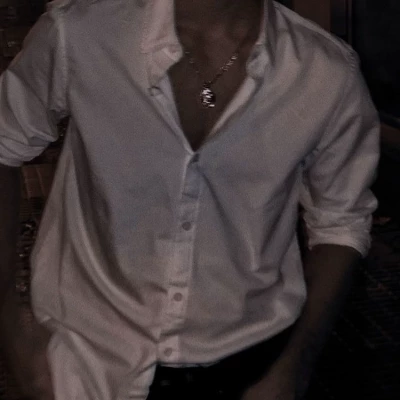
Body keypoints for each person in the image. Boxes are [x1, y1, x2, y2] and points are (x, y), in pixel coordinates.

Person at [0, 0, 380, 399]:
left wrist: (294, 367)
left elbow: (342, 223)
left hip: (252, 367)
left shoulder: (325, 72)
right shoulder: (82, 33)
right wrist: (10, 325)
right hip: (86, 365)